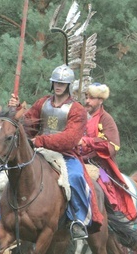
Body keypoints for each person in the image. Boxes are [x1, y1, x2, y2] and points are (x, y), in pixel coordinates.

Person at [8, 64, 96, 240]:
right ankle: (0, 215)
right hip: (39, 151)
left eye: (62, 83)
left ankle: (78, 220)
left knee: (76, 178)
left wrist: (40, 140)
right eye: (56, 82)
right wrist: (16, 110)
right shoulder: (43, 102)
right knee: (6, 174)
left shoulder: (77, 109)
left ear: (68, 85)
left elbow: (69, 139)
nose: (58, 85)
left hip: (65, 154)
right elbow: (28, 125)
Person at [77, 83, 137, 221]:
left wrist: (88, 141)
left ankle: (112, 216)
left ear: (100, 100)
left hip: (100, 165)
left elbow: (113, 145)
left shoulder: (106, 119)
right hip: (76, 159)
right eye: (86, 97)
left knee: (106, 186)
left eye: (92, 98)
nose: (87, 101)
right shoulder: (79, 116)